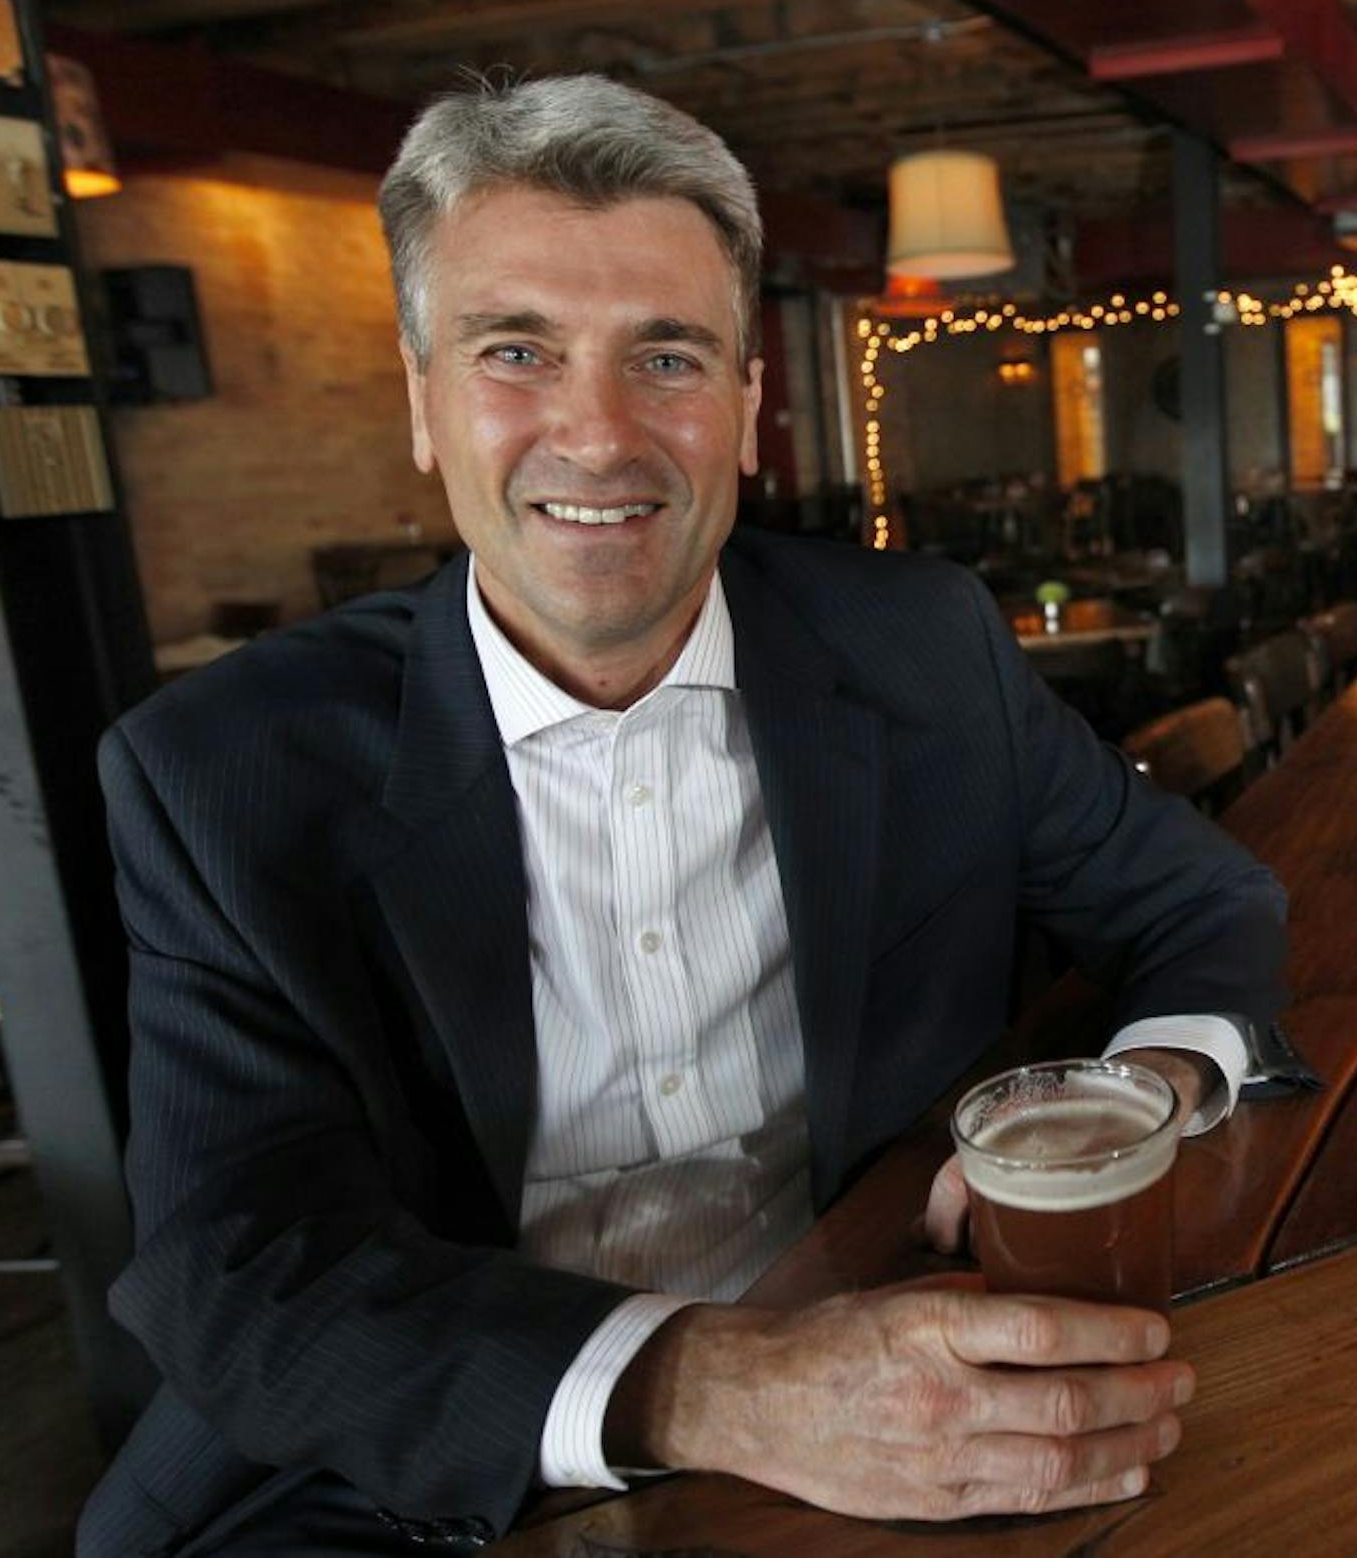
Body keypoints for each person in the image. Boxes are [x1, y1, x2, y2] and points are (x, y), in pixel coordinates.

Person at [77, 76, 1288, 1554]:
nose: (597, 436)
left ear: (749, 406)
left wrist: (1145, 1089)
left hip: (892, 1355)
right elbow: (241, 1267)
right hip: (395, 1459)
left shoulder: (921, 644)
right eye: (514, 350)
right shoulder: (218, 766)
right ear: (420, 398)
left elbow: (1200, 899)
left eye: (666, 355)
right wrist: (721, 1388)